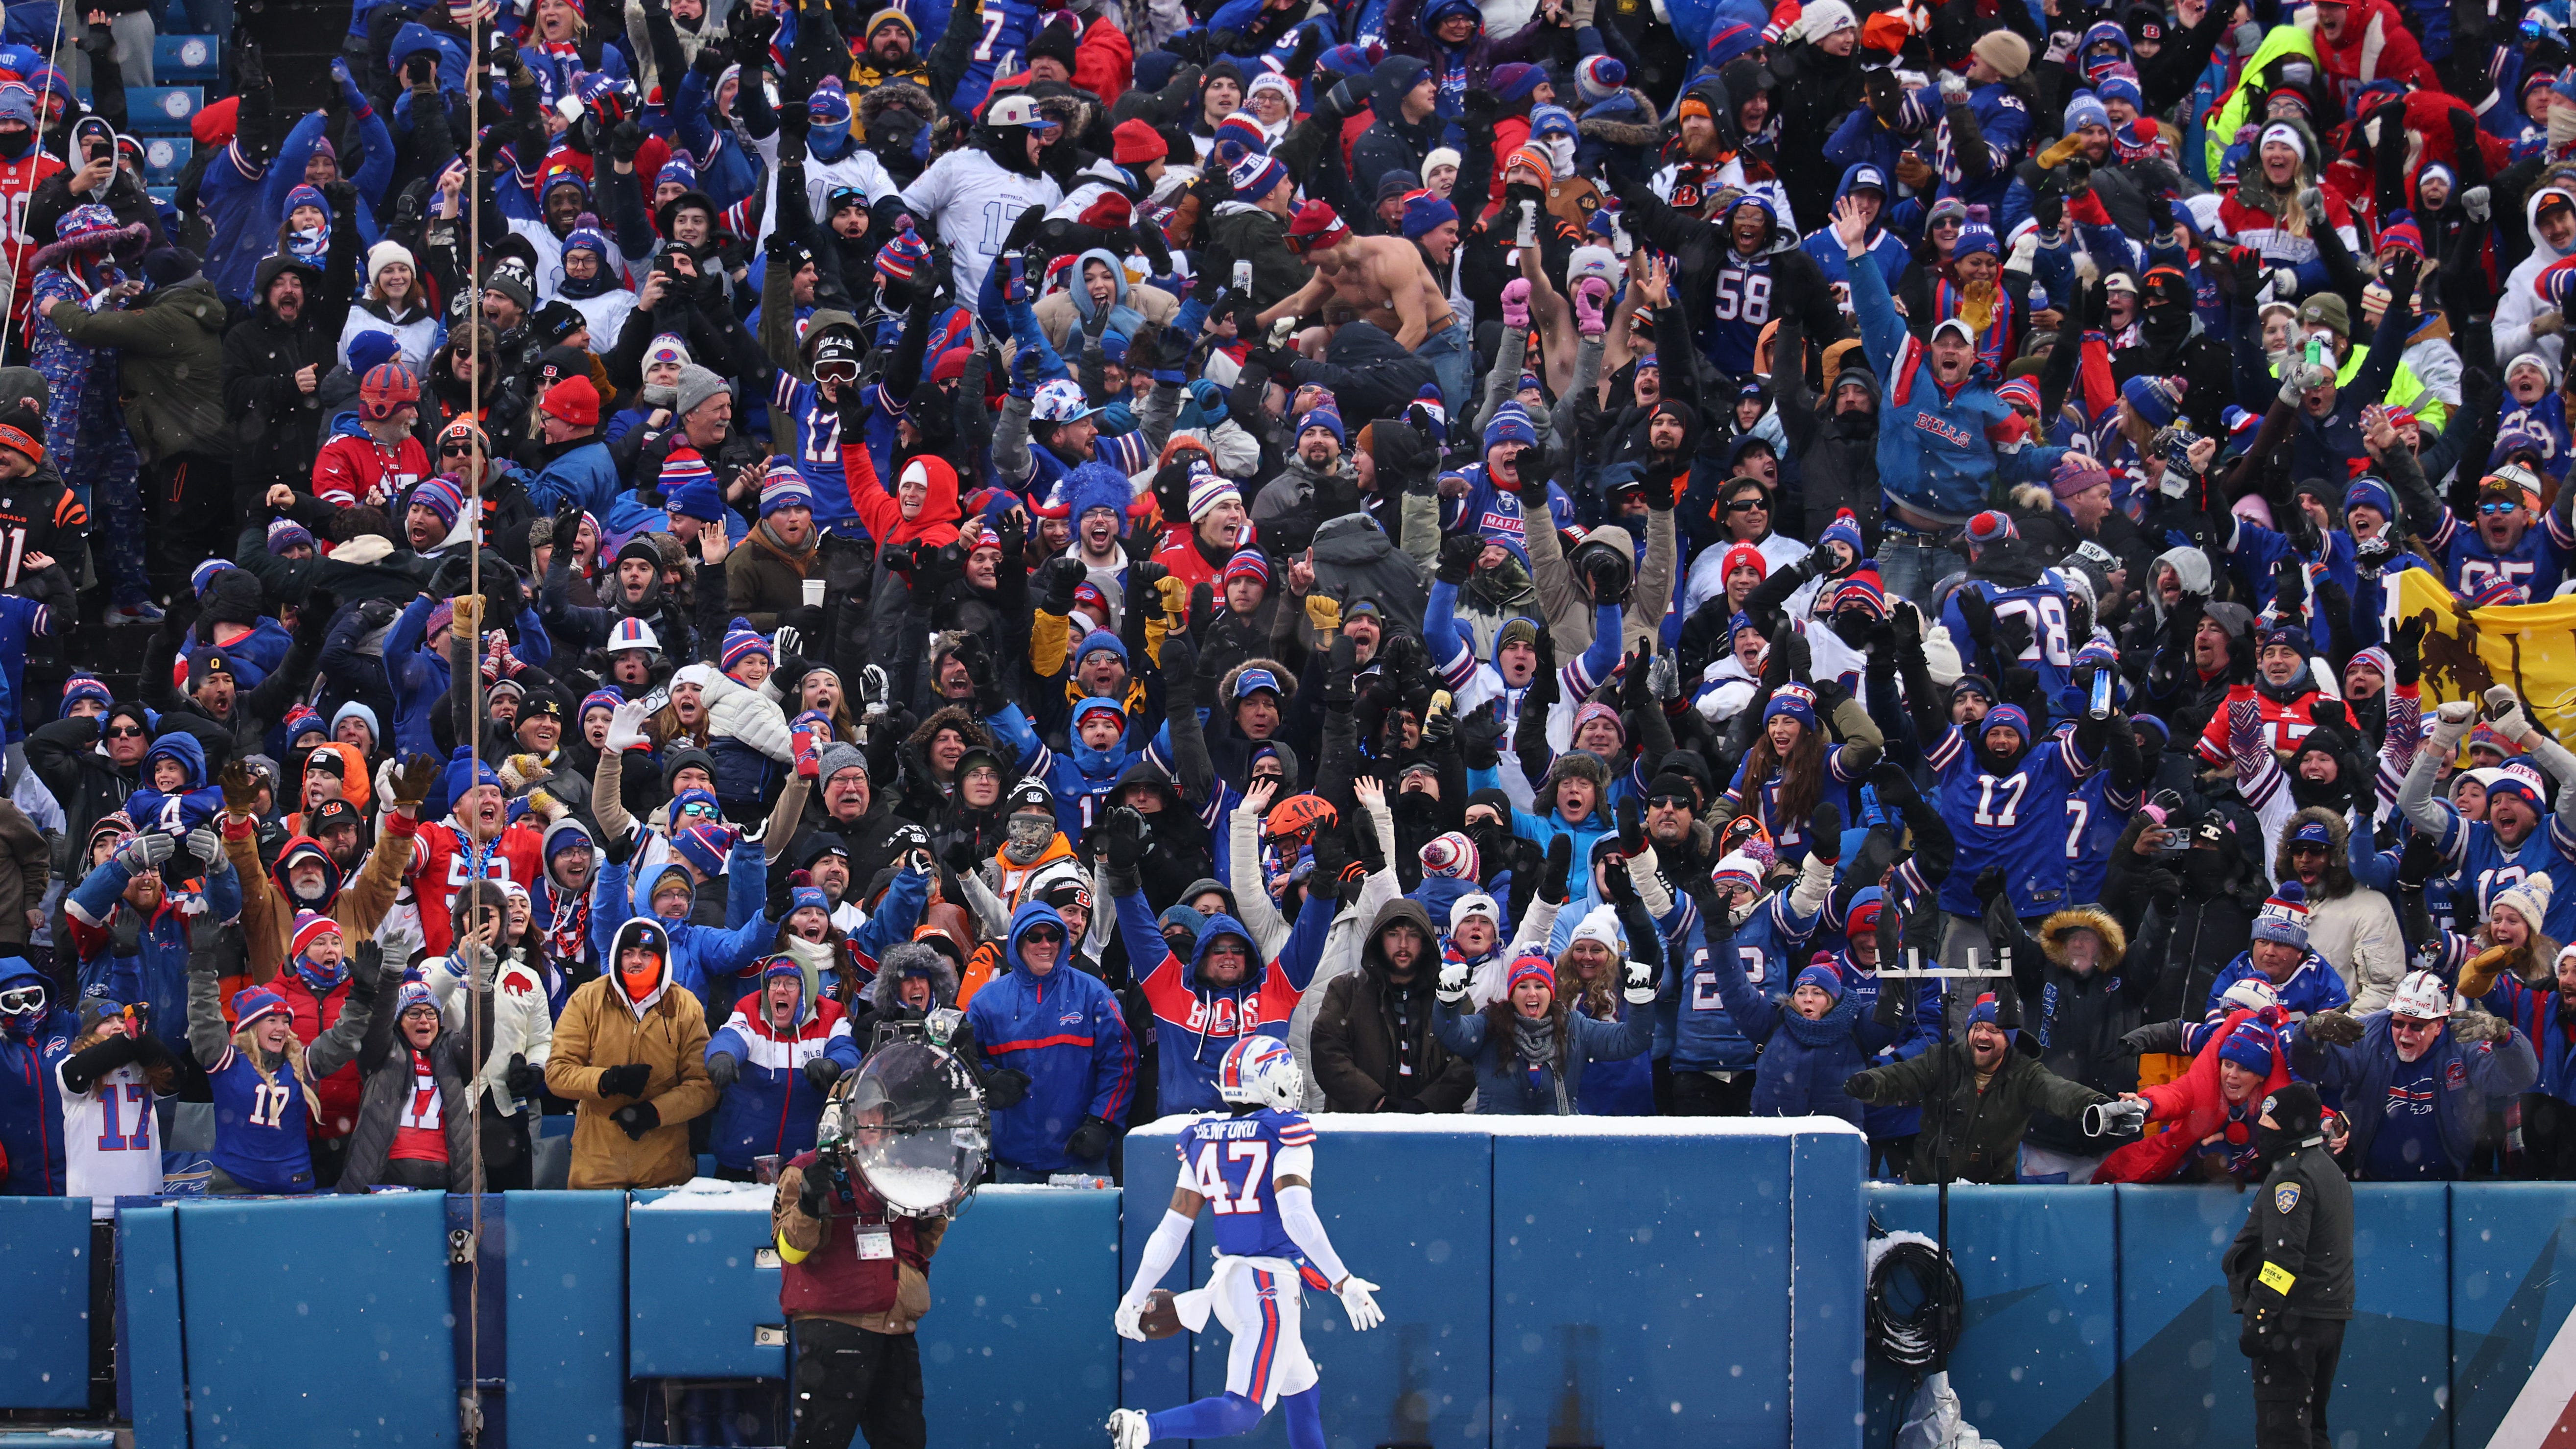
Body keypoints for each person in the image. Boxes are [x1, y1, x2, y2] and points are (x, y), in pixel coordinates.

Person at [1110, 1036, 1383, 1449]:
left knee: (1302, 1390)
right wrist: (1343, 1281)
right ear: (1271, 1082)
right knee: (1243, 1409)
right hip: (1266, 1291)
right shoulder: (1283, 1132)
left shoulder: (1204, 1136)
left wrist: (1135, 1296)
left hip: (1233, 1286)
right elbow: (1295, 1215)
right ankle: (1146, 1429)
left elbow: (1171, 1230)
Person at [545, 914, 721, 1190]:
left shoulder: (686, 1006)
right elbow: (557, 1073)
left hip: (665, 1169)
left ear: (662, 959)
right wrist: (606, 1081)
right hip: (596, 1166)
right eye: (628, 953)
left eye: (646, 954)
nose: (636, 961)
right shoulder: (587, 999)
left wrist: (655, 1113)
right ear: (617, 957)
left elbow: (704, 1085)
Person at [2222, 1081, 2353, 1449]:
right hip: (2327, 1317)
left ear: (2292, 1125)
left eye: (2270, 1116)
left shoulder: (2292, 1176)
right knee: (2312, 1429)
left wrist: (2259, 1317)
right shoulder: (2328, 1169)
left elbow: (2283, 1258)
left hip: (2295, 1323)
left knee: (2284, 1435)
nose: (2261, 1123)